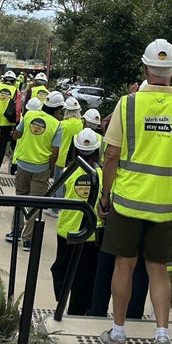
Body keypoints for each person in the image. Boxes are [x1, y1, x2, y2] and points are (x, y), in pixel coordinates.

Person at [97, 39, 172, 344]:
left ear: (144, 69)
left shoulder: (127, 106)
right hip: (167, 205)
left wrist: (105, 194)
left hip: (128, 202)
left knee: (124, 265)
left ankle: (118, 333)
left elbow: (111, 154)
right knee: (158, 269)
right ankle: (161, 336)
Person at [50, 128, 103, 313]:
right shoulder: (103, 176)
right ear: (97, 151)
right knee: (85, 277)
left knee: (60, 268)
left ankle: (62, 300)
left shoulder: (67, 172)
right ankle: (77, 311)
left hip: (66, 230)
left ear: (75, 149)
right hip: (90, 234)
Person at [9, 91, 64, 248]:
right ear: (56, 109)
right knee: (34, 203)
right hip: (41, 167)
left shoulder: (29, 116)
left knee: (20, 197)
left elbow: (15, 135)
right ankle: (27, 238)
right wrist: (50, 167)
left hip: (23, 163)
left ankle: (15, 232)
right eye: (60, 110)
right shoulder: (56, 125)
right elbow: (55, 152)